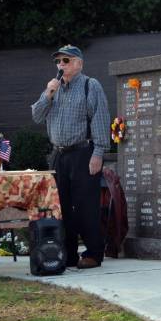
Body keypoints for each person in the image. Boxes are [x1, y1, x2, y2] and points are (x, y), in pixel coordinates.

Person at [32, 44, 110, 269]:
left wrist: (98, 153)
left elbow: (101, 119)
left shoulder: (89, 85)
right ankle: (69, 254)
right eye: (58, 61)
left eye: (66, 61)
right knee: (62, 207)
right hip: (58, 154)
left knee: (86, 205)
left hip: (83, 152)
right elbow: (37, 116)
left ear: (79, 63)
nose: (60, 65)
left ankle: (94, 254)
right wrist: (48, 94)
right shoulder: (53, 88)